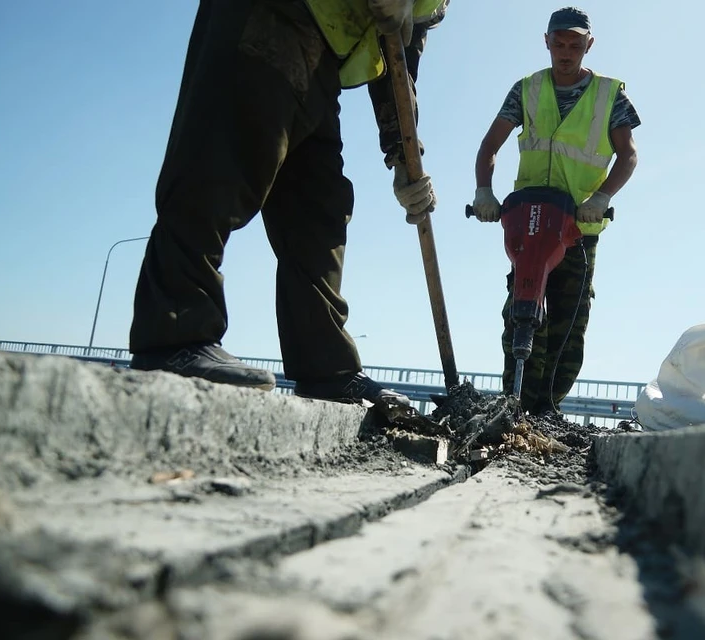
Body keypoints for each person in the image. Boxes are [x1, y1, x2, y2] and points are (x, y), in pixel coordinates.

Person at [127, 0, 448, 405]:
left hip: (325, 53)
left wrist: (403, 153)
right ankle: (175, 332)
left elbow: (401, 50)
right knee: (221, 161)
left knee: (319, 210)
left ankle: (328, 369)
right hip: (273, 13)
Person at [471, 6, 640, 415]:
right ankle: (517, 405)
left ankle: (546, 409)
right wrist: (483, 192)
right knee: (523, 309)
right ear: (546, 42)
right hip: (530, 221)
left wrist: (601, 198)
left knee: (568, 321)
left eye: (575, 45)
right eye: (559, 44)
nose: (566, 53)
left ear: (589, 45)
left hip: (578, 227)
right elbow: (490, 146)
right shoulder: (525, 89)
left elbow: (628, 156)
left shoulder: (608, 94)